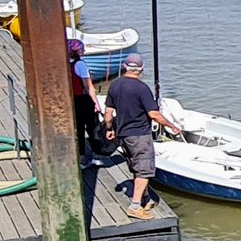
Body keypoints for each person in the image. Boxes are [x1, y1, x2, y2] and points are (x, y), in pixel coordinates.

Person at [103, 53, 182, 220]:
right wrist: (172, 126)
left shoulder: (115, 85)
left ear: (125, 66)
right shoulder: (141, 88)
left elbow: (108, 112)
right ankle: (135, 206)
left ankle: (145, 198)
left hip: (123, 135)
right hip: (139, 135)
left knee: (136, 167)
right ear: (141, 69)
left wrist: (109, 128)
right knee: (144, 170)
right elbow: (154, 114)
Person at [68, 39, 100, 168]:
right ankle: (96, 155)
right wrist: (96, 103)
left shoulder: (66, 64)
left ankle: (80, 157)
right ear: (77, 51)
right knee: (93, 128)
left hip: (73, 100)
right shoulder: (80, 64)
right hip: (84, 100)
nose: (84, 51)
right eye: (82, 49)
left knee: (79, 129)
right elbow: (88, 86)